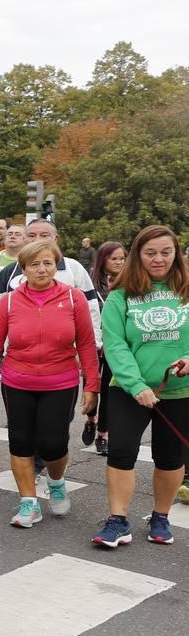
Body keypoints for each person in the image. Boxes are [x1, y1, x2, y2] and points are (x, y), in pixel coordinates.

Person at [0, 240, 99, 528]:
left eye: (48, 263)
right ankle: (29, 503)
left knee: (53, 443)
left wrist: (92, 385)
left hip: (60, 382)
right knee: (20, 442)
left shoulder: (73, 298)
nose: (42, 269)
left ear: (56, 266)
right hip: (16, 380)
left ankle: (56, 481)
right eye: (34, 264)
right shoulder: (10, 301)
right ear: (23, 268)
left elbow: (86, 343)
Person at [93, 225, 189, 548]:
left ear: (176, 253)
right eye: (150, 253)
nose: (158, 259)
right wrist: (135, 384)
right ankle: (118, 520)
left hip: (180, 391)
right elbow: (115, 344)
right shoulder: (120, 296)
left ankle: (161, 517)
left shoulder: (187, 289)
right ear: (138, 255)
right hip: (128, 390)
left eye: (165, 252)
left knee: (171, 458)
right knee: (120, 452)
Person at [0, 221, 101, 346]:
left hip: (68, 358)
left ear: (56, 239)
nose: (37, 240)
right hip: (17, 358)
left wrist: (93, 344)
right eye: (31, 235)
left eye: (44, 235)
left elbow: (91, 309)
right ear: (24, 239)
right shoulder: (9, 271)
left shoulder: (74, 269)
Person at [90, 241, 128, 455]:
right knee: (93, 388)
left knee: (110, 390)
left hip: (117, 345)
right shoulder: (92, 283)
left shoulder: (130, 282)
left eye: (122, 258)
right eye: (114, 258)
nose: (119, 262)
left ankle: (103, 432)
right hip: (94, 343)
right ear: (103, 259)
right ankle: (90, 419)